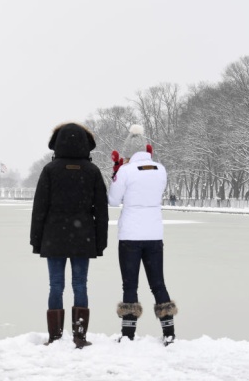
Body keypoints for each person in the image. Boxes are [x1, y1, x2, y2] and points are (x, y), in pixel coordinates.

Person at [30, 123, 109, 349]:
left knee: (55, 285)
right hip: (83, 236)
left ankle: (55, 336)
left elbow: (39, 208)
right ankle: (80, 336)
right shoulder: (92, 171)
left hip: (54, 235)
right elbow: (101, 210)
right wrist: (99, 242)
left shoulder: (50, 170)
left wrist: (36, 240)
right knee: (80, 285)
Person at [108, 125, 178, 346]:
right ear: (148, 149)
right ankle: (169, 332)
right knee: (158, 283)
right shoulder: (161, 169)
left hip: (130, 234)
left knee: (130, 284)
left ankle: (128, 334)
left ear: (128, 151)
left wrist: (116, 174)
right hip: (154, 233)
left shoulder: (126, 171)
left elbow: (112, 200)